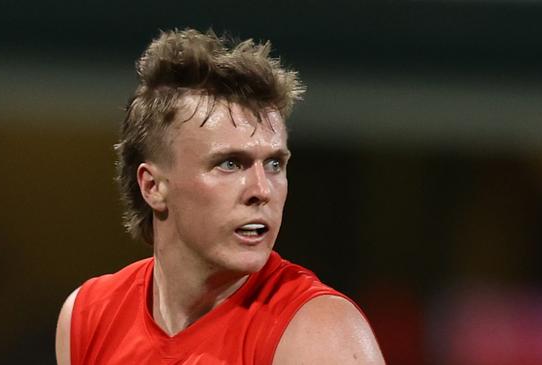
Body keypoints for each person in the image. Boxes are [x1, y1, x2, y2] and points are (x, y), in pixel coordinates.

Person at [55, 28, 384, 365]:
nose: (262, 190)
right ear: (153, 187)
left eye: (274, 164)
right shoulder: (89, 317)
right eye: (230, 163)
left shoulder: (318, 335)